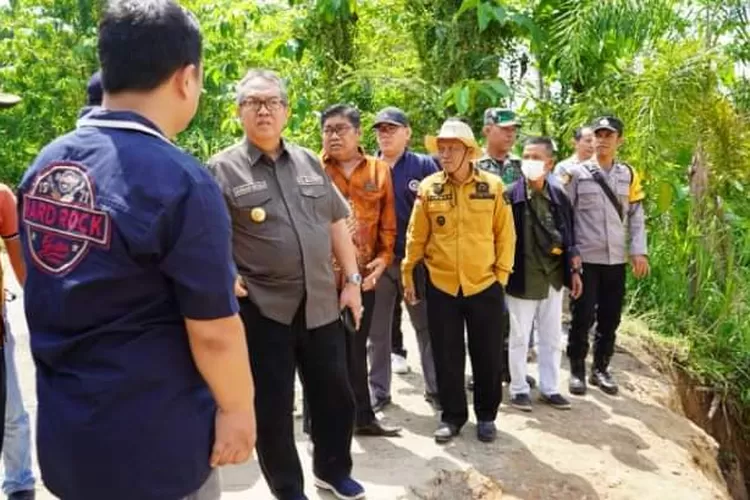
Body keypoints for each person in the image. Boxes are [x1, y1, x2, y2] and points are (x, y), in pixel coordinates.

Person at [18, 2, 256, 500]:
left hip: (70, 439)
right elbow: (213, 331)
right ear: (186, 79)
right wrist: (237, 409)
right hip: (154, 447)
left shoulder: (46, 164)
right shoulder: (180, 180)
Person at [208, 70, 365, 500]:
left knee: (337, 396)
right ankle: (288, 487)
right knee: (273, 409)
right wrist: (226, 273)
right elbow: (209, 236)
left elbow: (336, 221)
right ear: (239, 111)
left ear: (286, 111)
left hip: (321, 304)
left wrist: (351, 281)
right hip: (263, 309)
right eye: (253, 102)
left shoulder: (310, 163)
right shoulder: (222, 168)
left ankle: (332, 470)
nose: (264, 110)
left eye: (272, 102)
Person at [402, 118, 515, 444]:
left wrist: (501, 277)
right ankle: (452, 416)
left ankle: (486, 416)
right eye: (442, 148)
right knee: (446, 354)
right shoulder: (429, 188)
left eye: (452, 148)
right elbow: (416, 235)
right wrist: (409, 271)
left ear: (469, 152)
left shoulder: (492, 187)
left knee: (487, 354)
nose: (445, 154)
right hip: (442, 285)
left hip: (484, 285)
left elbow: (505, 235)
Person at [318, 104, 402, 434]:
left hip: (364, 277)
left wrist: (382, 262)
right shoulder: (313, 168)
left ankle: (362, 418)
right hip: (321, 277)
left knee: (356, 348)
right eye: (328, 130)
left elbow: (388, 225)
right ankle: (319, 425)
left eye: (340, 129)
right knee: (321, 351)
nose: (334, 136)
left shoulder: (379, 171)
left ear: (357, 132)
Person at [564, 116, 649, 396]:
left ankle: (600, 368)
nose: (602, 139)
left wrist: (638, 251)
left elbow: (636, 216)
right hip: (586, 259)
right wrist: (570, 254)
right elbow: (566, 216)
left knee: (610, 318)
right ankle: (576, 368)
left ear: (619, 140)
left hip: (616, 260)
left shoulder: (629, 174)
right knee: (582, 316)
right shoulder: (577, 174)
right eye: (598, 134)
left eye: (608, 135)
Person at [367, 107, 440, 411]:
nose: (385, 134)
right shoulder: (365, 167)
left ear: (407, 132)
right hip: (377, 265)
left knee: (427, 328)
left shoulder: (425, 166)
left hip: (416, 264)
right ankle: (379, 392)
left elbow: (440, 213)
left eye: (392, 128)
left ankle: (437, 390)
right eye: (380, 129)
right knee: (377, 332)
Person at [504, 137, 583, 413]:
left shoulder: (559, 195)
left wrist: (574, 270)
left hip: (553, 277)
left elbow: (570, 235)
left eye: (536, 157)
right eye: (526, 155)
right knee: (519, 337)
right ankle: (518, 389)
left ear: (549, 163)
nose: (530, 162)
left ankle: (549, 388)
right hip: (522, 277)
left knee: (550, 337)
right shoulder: (510, 195)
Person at [476, 107, 522, 185]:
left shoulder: (520, 165)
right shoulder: (473, 163)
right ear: (487, 130)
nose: (510, 134)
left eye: (513, 130)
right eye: (504, 129)